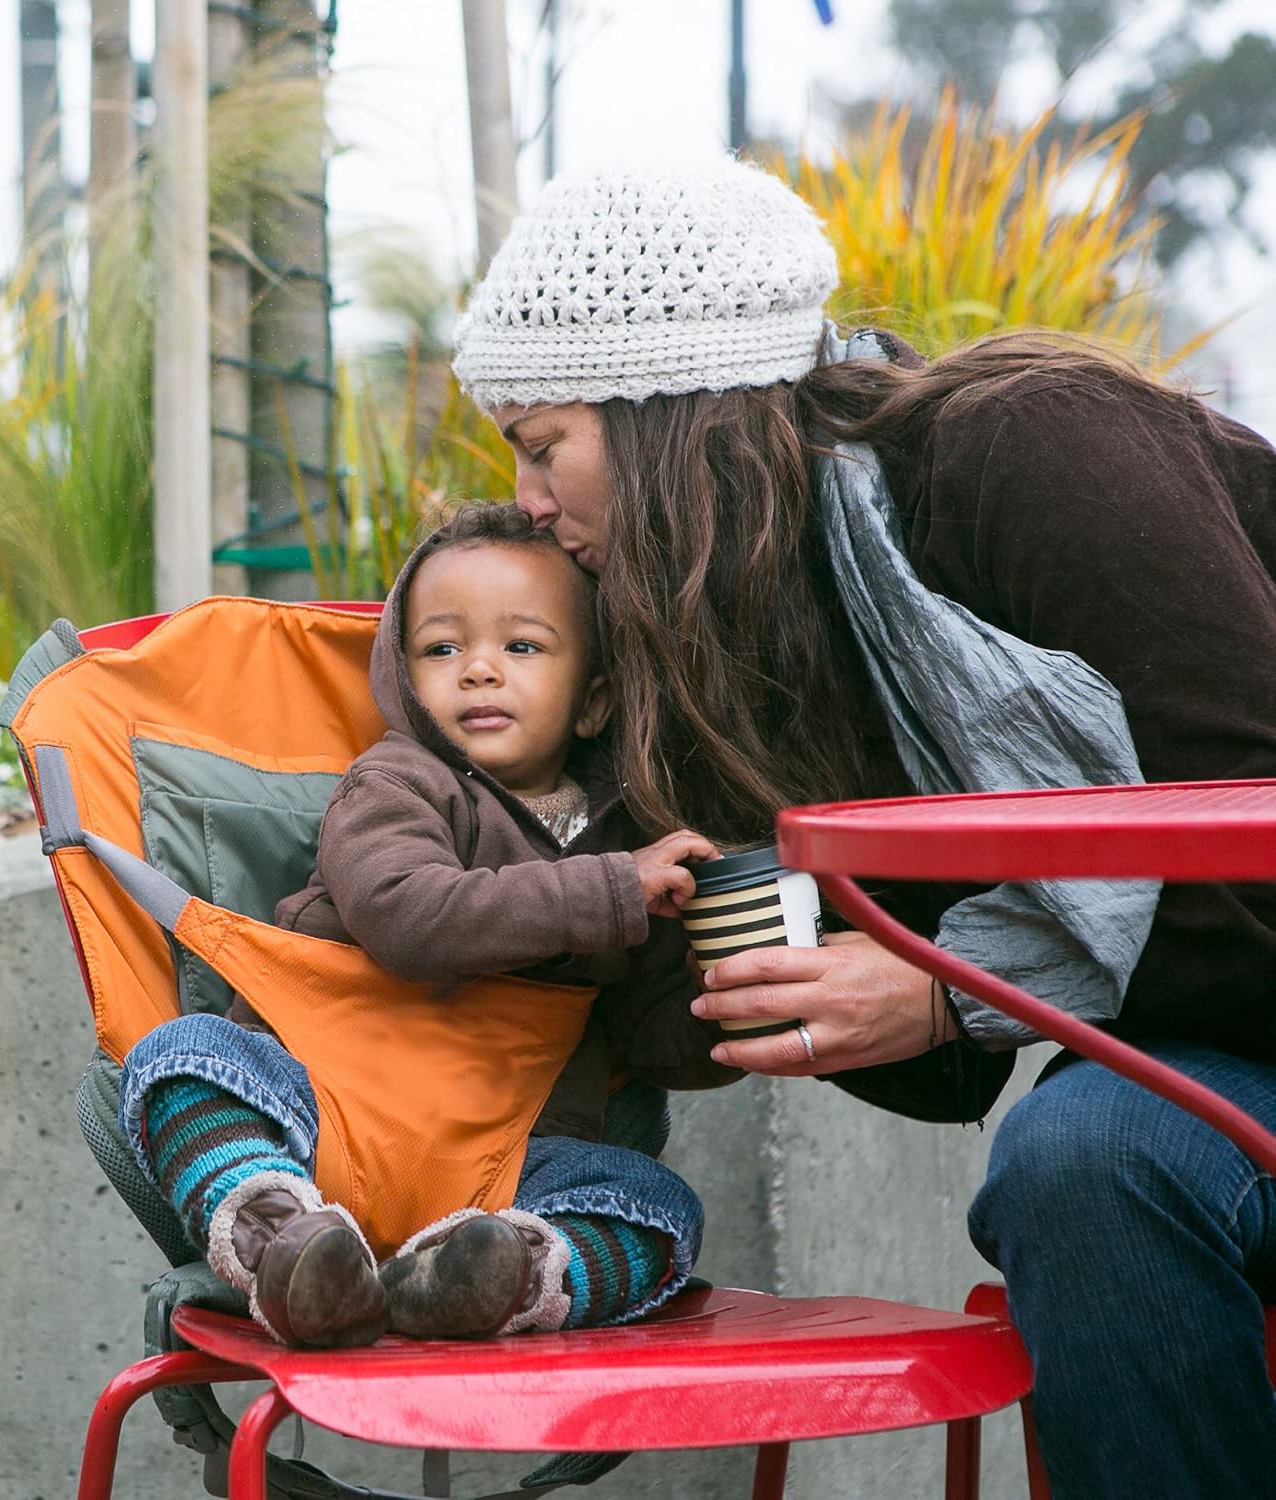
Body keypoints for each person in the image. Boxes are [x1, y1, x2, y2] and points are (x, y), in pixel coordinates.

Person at [448, 155, 1276, 1497]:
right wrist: (705, 972)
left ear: (667, 415)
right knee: (1080, 1166)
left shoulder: (1027, 450)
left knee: (1088, 1145)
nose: (531, 503)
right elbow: (940, 1074)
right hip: (1226, 1051)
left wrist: (951, 990)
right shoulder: (771, 648)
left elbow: (1251, 838)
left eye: (544, 446)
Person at [119, 500, 737, 1349]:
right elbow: (406, 917)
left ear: (593, 701)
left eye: (520, 646)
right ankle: (279, 1233)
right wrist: (609, 892)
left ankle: (504, 1276)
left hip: (507, 1163)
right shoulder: (396, 784)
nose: (477, 670)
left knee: (656, 1205)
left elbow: (645, 1034)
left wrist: (732, 1010)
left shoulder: (627, 843)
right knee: (180, 1060)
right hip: (320, 1112)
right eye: (442, 649)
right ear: (404, 681)